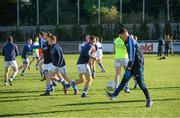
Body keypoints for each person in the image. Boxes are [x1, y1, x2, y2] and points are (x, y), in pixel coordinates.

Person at [106, 28, 153, 107]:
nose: (120, 38)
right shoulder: (126, 41)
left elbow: (132, 58)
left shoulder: (131, 41)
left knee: (141, 84)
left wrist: (128, 69)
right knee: (124, 80)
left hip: (137, 66)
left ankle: (149, 100)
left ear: (125, 33)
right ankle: (113, 96)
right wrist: (129, 67)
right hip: (131, 64)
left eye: (121, 36)